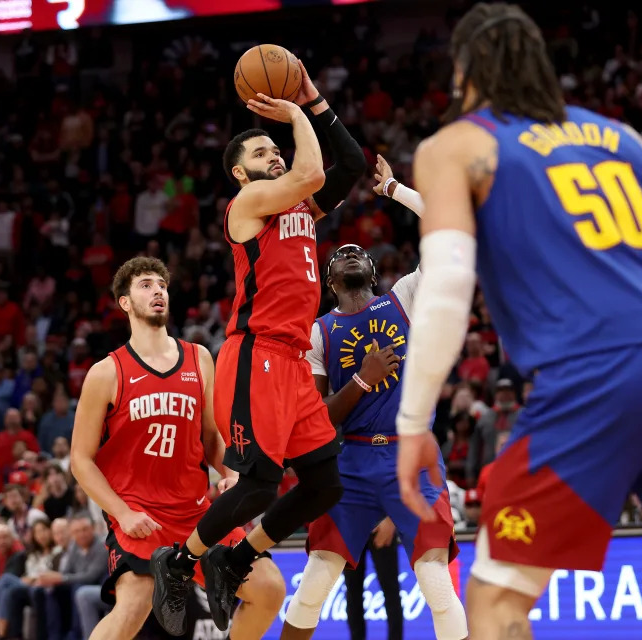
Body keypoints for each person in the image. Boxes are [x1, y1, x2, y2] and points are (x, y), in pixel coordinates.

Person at [394, 4, 642, 640]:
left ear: (466, 72)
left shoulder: (460, 143)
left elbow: (447, 285)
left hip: (598, 372)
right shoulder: (614, 135)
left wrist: (414, 421)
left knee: (496, 599)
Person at [152, 57, 367, 633]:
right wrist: (295, 113)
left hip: (294, 361)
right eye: (261, 155)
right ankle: (179, 562)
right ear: (242, 176)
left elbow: (348, 164)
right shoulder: (246, 208)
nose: (274, 156)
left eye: (276, 150)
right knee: (258, 485)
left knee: (324, 483)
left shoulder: (301, 209)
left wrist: (315, 99)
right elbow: (314, 175)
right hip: (256, 354)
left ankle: (235, 558)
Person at [281, 159, 466, 640]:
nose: (349, 253)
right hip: (353, 461)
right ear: (330, 280)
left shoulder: (404, 297)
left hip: (411, 451)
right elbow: (319, 420)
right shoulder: (318, 333)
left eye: (356, 251)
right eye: (339, 253)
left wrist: (395, 188)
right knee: (313, 586)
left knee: (436, 586)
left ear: (372, 270)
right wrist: (362, 381)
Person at [71, 257, 285, 640]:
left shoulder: (199, 358)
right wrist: (122, 513)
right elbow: (81, 461)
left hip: (195, 512)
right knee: (134, 604)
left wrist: (231, 475)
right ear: (124, 302)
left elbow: (212, 441)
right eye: (145, 285)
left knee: (269, 589)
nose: (157, 291)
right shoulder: (106, 373)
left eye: (162, 285)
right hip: (140, 514)